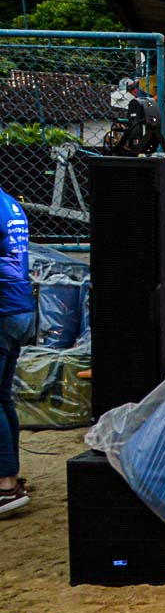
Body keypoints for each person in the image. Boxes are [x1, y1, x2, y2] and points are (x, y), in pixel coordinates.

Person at [0, 187, 32, 518]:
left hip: (3, 306)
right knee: (3, 397)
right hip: (18, 306)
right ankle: (10, 478)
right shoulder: (9, 203)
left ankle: (5, 485)